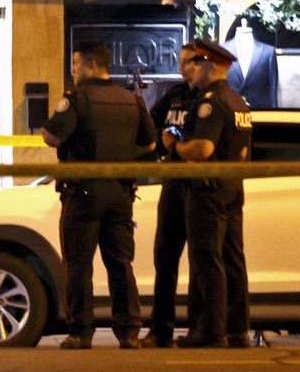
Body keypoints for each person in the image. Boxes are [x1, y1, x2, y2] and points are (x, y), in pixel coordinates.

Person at [41, 40, 158, 349]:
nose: (73, 71)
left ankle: (80, 332)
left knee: (79, 265)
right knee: (121, 264)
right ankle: (129, 331)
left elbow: (51, 137)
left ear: (92, 66)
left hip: (84, 194)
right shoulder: (131, 100)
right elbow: (150, 144)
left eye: (76, 65)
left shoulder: (78, 99)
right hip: (121, 193)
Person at [169, 38, 255, 348]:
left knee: (207, 260)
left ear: (211, 66)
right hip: (233, 188)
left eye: (196, 64)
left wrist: (175, 146)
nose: (191, 69)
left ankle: (211, 330)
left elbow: (203, 148)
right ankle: (237, 330)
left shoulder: (211, 102)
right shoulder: (238, 102)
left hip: (208, 190)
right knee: (233, 260)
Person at [144, 45, 202, 348]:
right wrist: (160, 146)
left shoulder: (208, 99)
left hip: (199, 188)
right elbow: (151, 124)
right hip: (172, 184)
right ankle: (160, 330)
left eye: (187, 62)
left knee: (201, 262)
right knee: (164, 258)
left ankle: (199, 329)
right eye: (180, 62)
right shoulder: (175, 95)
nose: (182, 68)